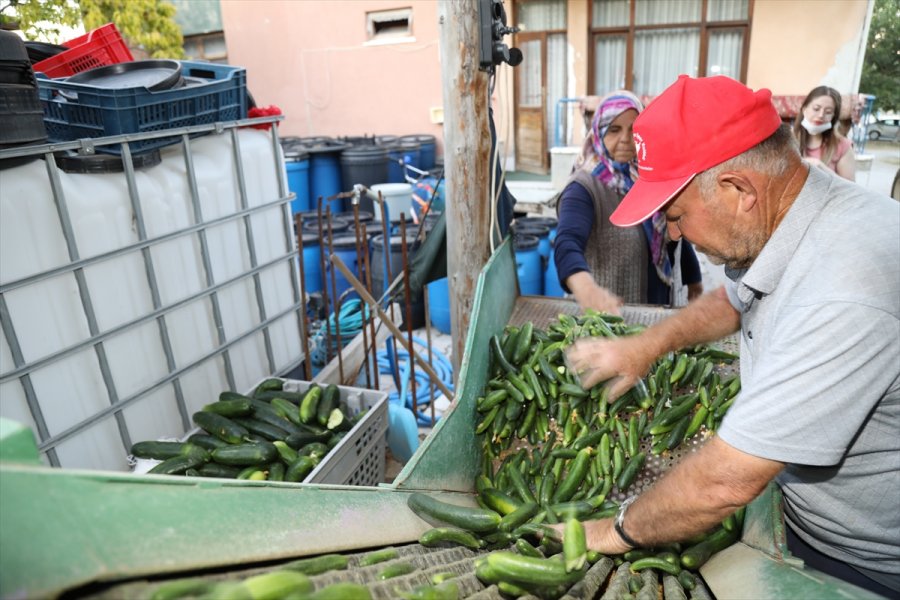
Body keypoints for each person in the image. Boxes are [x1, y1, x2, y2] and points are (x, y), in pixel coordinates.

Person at [561, 75, 900, 597]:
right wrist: (646, 346)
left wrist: (610, 531)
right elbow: (734, 299)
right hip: (810, 526)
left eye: (675, 216)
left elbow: (725, 481)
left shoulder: (844, 284)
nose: (672, 235)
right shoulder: (798, 208)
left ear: (739, 189)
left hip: (867, 565)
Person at [553, 91, 703, 315]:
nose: (626, 139)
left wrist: (694, 279)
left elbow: (670, 232)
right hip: (614, 318)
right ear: (598, 133)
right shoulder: (583, 188)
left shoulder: (648, 176)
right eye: (614, 130)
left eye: (634, 129)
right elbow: (567, 242)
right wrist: (587, 289)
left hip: (658, 309)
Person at [793, 85, 856, 181]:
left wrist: (822, 169)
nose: (821, 115)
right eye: (816, 109)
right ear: (804, 109)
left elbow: (851, 188)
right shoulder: (787, 140)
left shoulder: (843, 146)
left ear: (833, 116)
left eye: (828, 112)